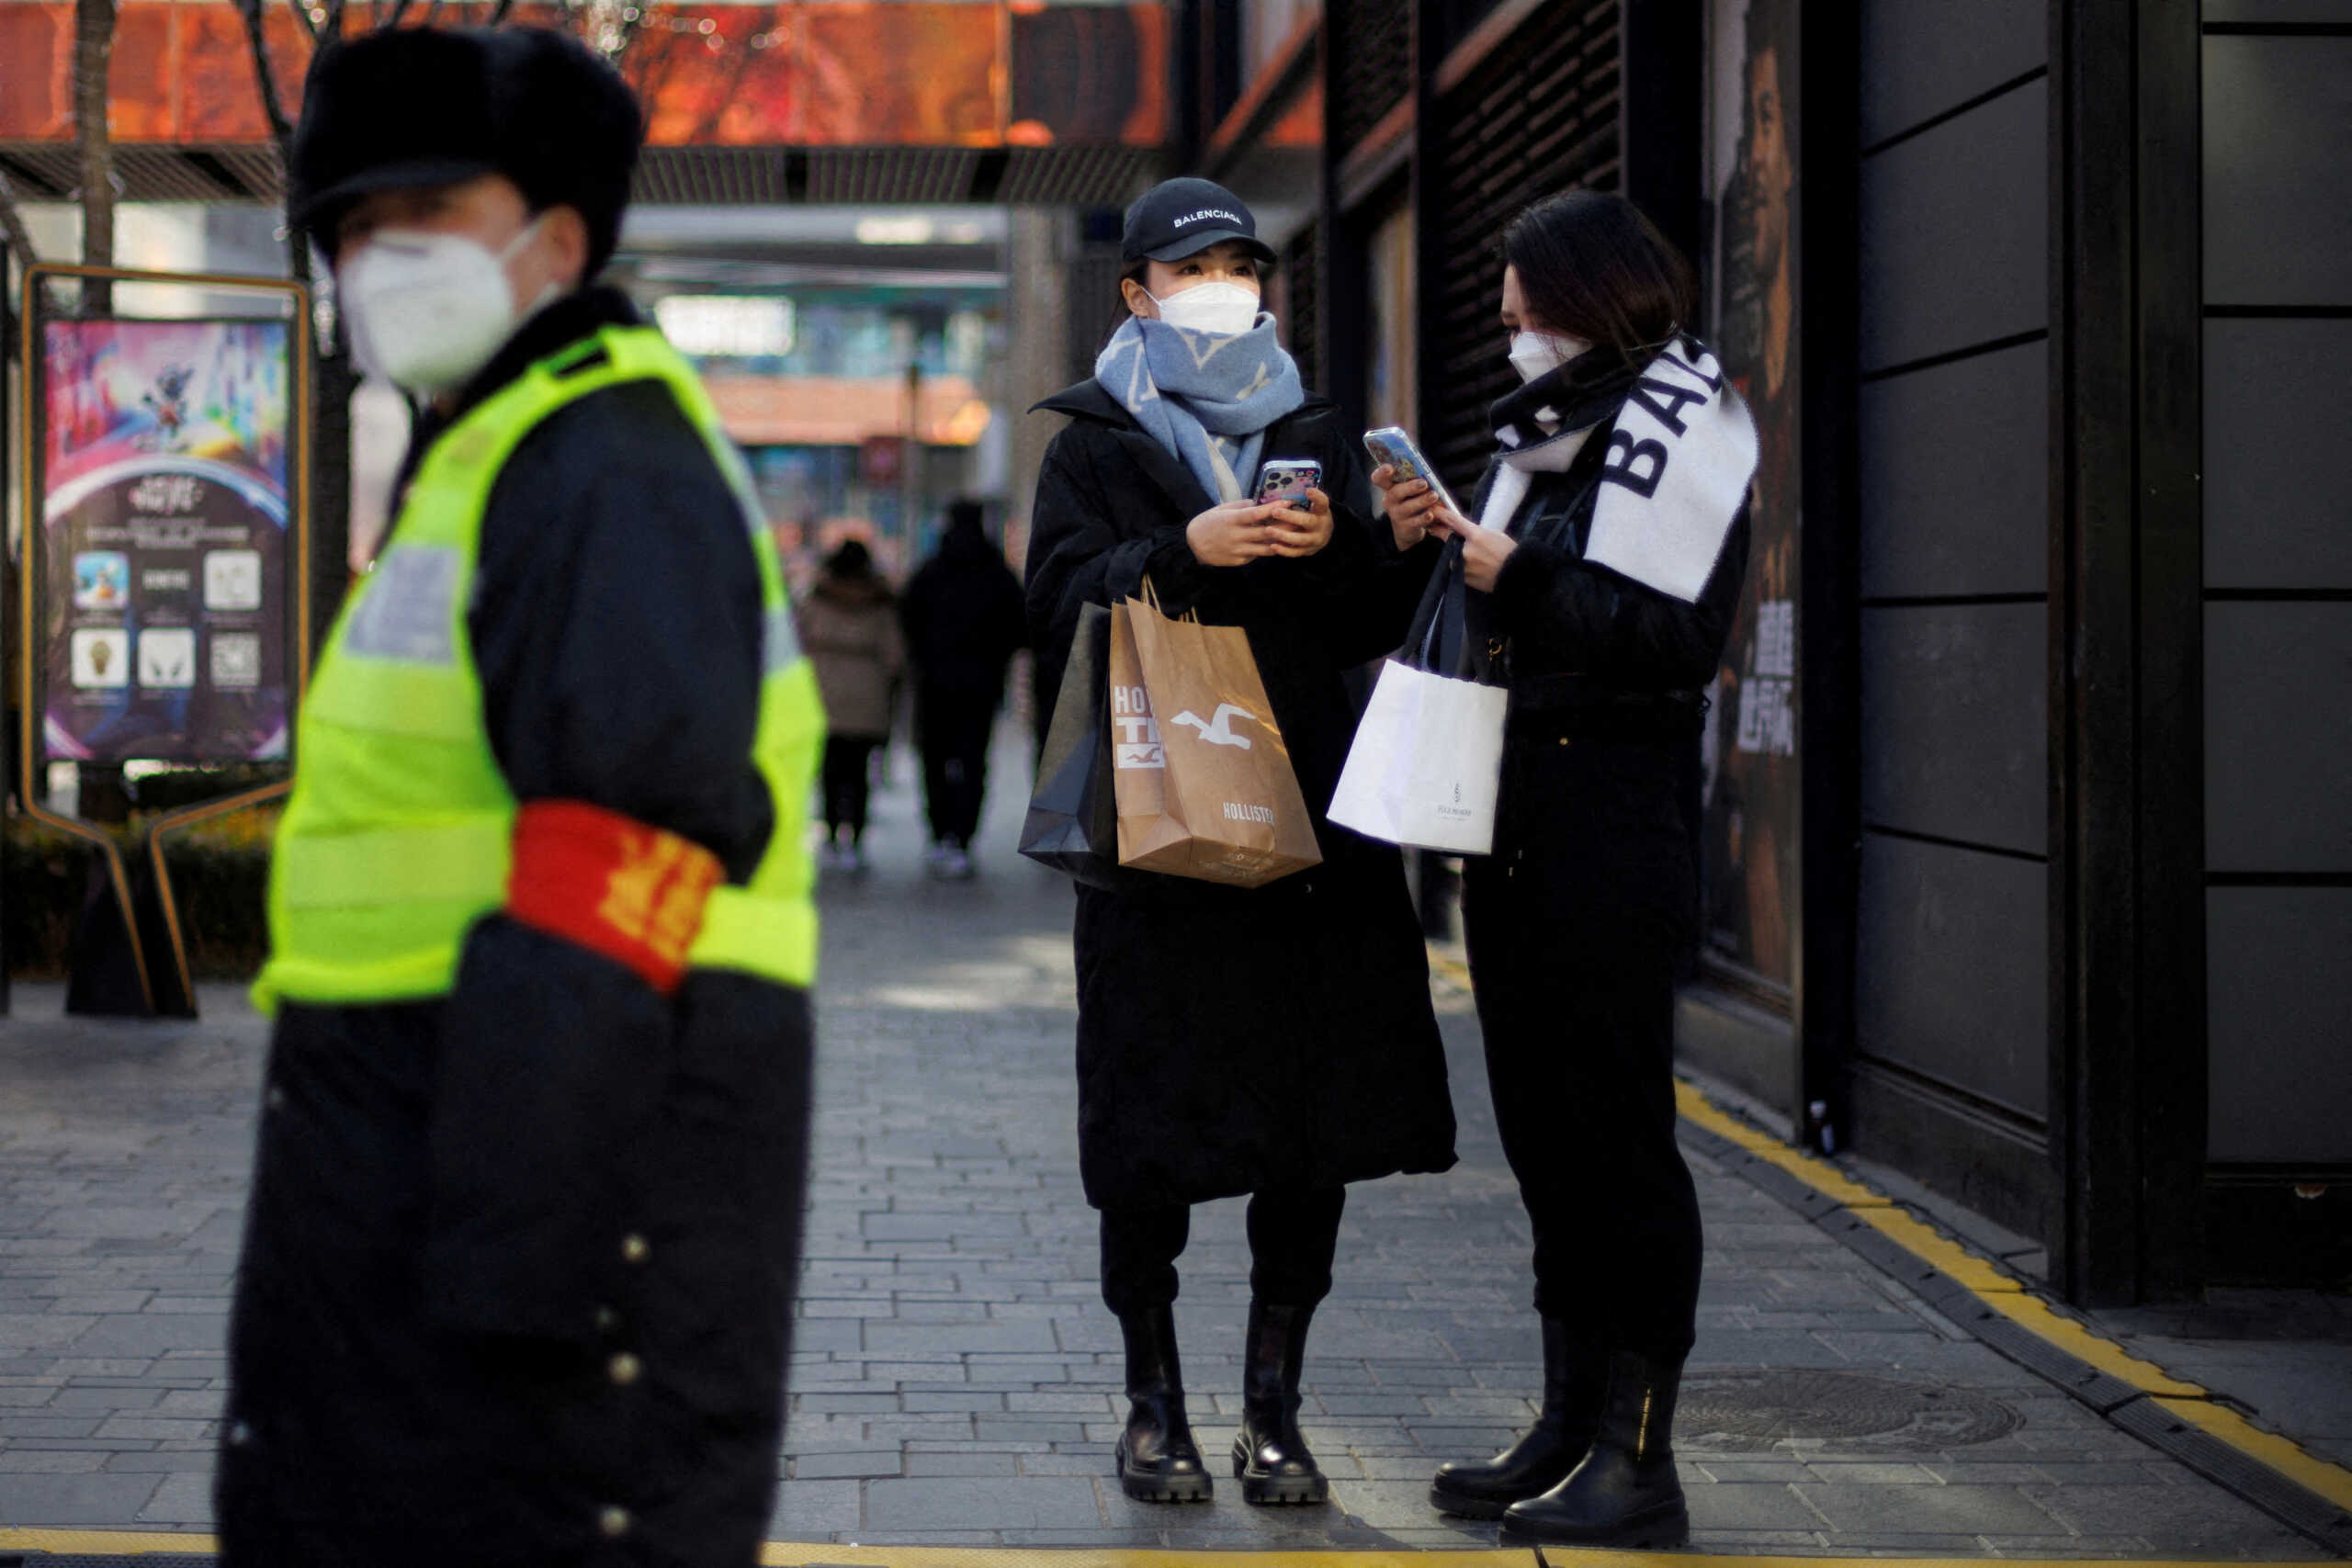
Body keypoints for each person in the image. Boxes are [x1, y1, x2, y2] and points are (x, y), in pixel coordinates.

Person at [218, 28, 823, 1566]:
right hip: (420, 1191)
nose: (378, 258)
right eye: (351, 228)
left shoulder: (601, 465)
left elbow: (624, 851)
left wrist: (507, 1290)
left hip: (534, 1263)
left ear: (556, 237)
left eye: (424, 216)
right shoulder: (495, 453)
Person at [1025, 176, 1456, 1507]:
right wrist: (1188, 544)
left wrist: (1377, 547)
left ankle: (1275, 1405)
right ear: (1136, 290)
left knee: (1308, 1118)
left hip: (1306, 825)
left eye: (1240, 264)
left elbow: (1351, 625)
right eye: (1193, 266)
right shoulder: (1091, 439)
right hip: (1159, 829)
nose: (1224, 284)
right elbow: (1055, 606)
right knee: (1148, 1117)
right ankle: (1154, 1399)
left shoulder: (1309, 426)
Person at [1380, 190, 1753, 1550]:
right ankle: (1566, 1420)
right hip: (1516, 819)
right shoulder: (1547, 439)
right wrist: (1443, 541)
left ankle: (1639, 1456)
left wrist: (1506, 567)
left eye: (1525, 306)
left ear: (1590, 297)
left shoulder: (1684, 429)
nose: (1509, 329)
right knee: (1542, 1132)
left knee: (1618, 1141)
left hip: (1609, 823)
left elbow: (1665, 638)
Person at [899, 498, 1027, 878]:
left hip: (933, 685)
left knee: (934, 761)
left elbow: (907, 619)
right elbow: (1020, 626)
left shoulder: (930, 572)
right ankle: (963, 839)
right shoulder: (997, 573)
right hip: (981, 687)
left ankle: (939, 834)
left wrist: (923, 658)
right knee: (972, 762)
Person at [799, 537, 903, 873]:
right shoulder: (881, 604)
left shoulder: (816, 599)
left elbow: (796, 644)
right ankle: (854, 841)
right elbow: (895, 656)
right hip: (866, 701)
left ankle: (830, 836)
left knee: (829, 773)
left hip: (824, 696)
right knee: (858, 775)